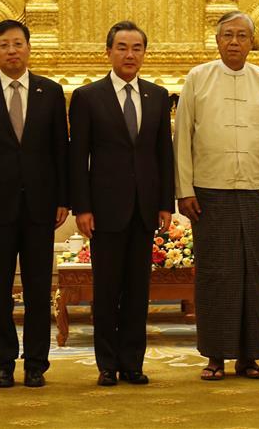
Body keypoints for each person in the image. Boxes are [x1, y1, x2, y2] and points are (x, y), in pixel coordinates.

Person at [174, 11, 259, 381]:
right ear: (217, 40)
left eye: (241, 35)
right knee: (215, 275)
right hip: (210, 191)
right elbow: (183, 138)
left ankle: (249, 356)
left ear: (252, 42)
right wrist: (184, 189)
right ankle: (216, 357)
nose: (234, 42)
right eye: (227, 35)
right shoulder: (198, 78)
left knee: (252, 275)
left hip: (254, 190)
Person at [0, 19, 69, 388]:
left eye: (18, 44)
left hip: (40, 208)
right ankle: (2, 362)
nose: (12, 51)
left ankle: (36, 363)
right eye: (4, 45)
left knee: (39, 289)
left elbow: (60, 151)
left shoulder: (50, 92)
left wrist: (63, 198)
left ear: (28, 48)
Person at [69, 21, 175, 387]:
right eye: (122, 47)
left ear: (144, 53)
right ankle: (107, 364)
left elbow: (164, 153)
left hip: (146, 209)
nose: (130, 54)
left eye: (137, 48)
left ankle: (133, 362)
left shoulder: (158, 96)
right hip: (103, 210)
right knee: (107, 289)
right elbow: (77, 157)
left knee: (137, 291)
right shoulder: (87, 97)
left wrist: (165, 204)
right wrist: (81, 207)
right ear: (109, 51)